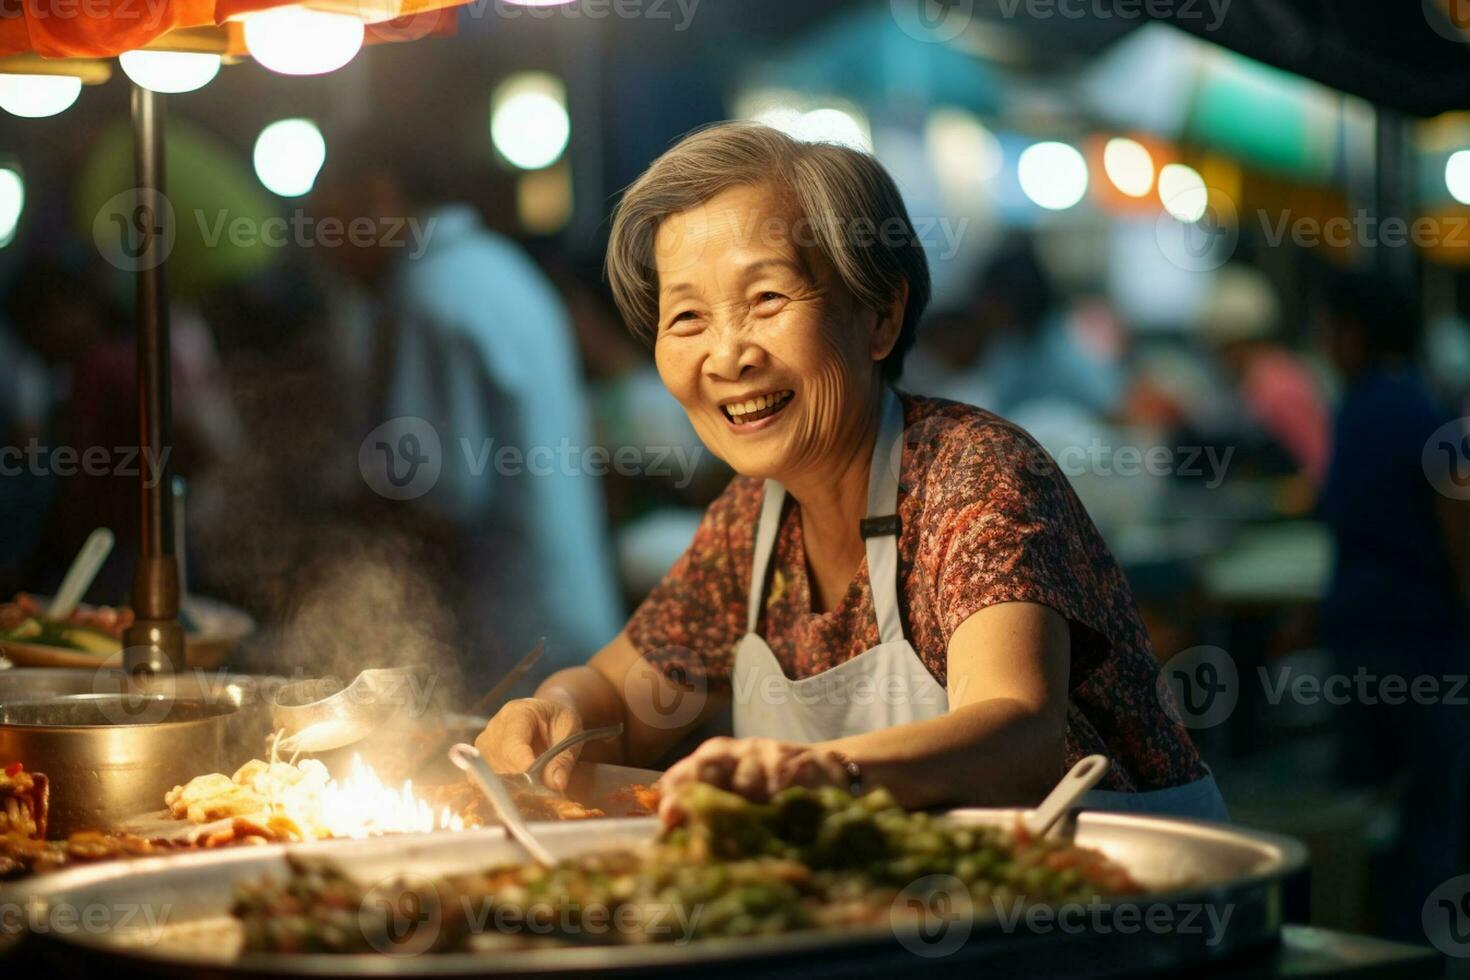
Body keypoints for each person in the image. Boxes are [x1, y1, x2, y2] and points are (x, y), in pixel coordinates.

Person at [475, 122, 1225, 822]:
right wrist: (556, 709)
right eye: (688, 318)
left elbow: (1016, 735)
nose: (728, 355)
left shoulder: (972, 475)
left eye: (766, 299)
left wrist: (816, 774)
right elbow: (621, 698)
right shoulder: (752, 524)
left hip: (1123, 914)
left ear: (879, 318)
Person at [309, 132, 623, 678]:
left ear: (379, 195)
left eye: (326, 224)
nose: (323, 252)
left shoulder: (426, 294)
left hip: (506, 639)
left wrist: (340, 589)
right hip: (569, 615)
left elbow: (437, 498)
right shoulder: (496, 264)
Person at [1318, 268, 1470, 941]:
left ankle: (1380, 947)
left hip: (1382, 643)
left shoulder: (1365, 411)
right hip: (1417, 645)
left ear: (1353, 334)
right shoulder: (1418, 410)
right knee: (1426, 818)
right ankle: (1415, 947)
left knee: (1383, 813)